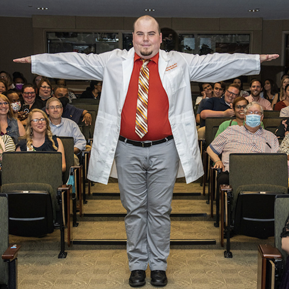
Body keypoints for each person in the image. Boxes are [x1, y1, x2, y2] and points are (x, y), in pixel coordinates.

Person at [14, 15, 278, 288]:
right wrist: (35, 61)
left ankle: (159, 266)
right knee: (135, 210)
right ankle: (138, 265)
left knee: (161, 210)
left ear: (160, 38)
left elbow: (215, 63)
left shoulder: (178, 62)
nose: (145, 39)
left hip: (165, 149)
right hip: (127, 150)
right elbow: (74, 62)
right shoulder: (114, 60)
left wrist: (255, 61)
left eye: (151, 34)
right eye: (140, 34)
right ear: (133, 37)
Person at [207, 102, 279, 186]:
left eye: (256, 113)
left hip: (262, 173)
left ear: (262, 117)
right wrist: (218, 161)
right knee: (224, 179)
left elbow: (277, 160)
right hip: (234, 172)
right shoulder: (230, 131)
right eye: (250, 112)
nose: (253, 115)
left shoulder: (271, 137)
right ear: (245, 116)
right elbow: (210, 149)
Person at [46, 97, 86, 165]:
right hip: (48, 155)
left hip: (69, 154)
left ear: (62, 109)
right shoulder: (42, 125)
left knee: (73, 159)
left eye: (58, 107)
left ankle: (71, 176)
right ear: (47, 111)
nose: (55, 110)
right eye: (52, 107)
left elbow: (81, 142)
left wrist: (70, 151)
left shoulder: (71, 124)